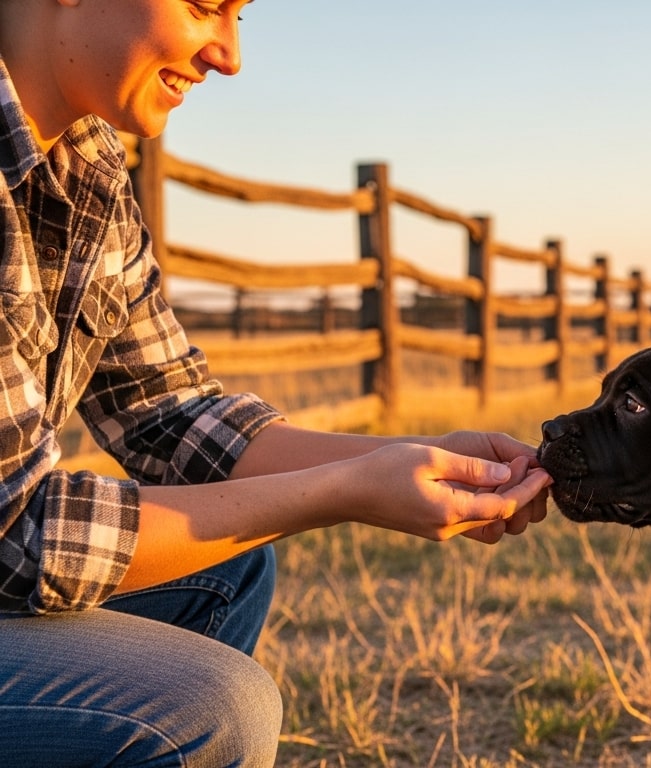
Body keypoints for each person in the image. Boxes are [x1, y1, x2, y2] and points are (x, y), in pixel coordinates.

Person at [0, 1, 554, 765]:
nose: (228, 55)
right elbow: (20, 536)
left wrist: (418, 454)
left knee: (227, 565)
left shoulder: (87, 167)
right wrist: (345, 490)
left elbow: (172, 415)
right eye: (204, 7)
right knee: (210, 706)